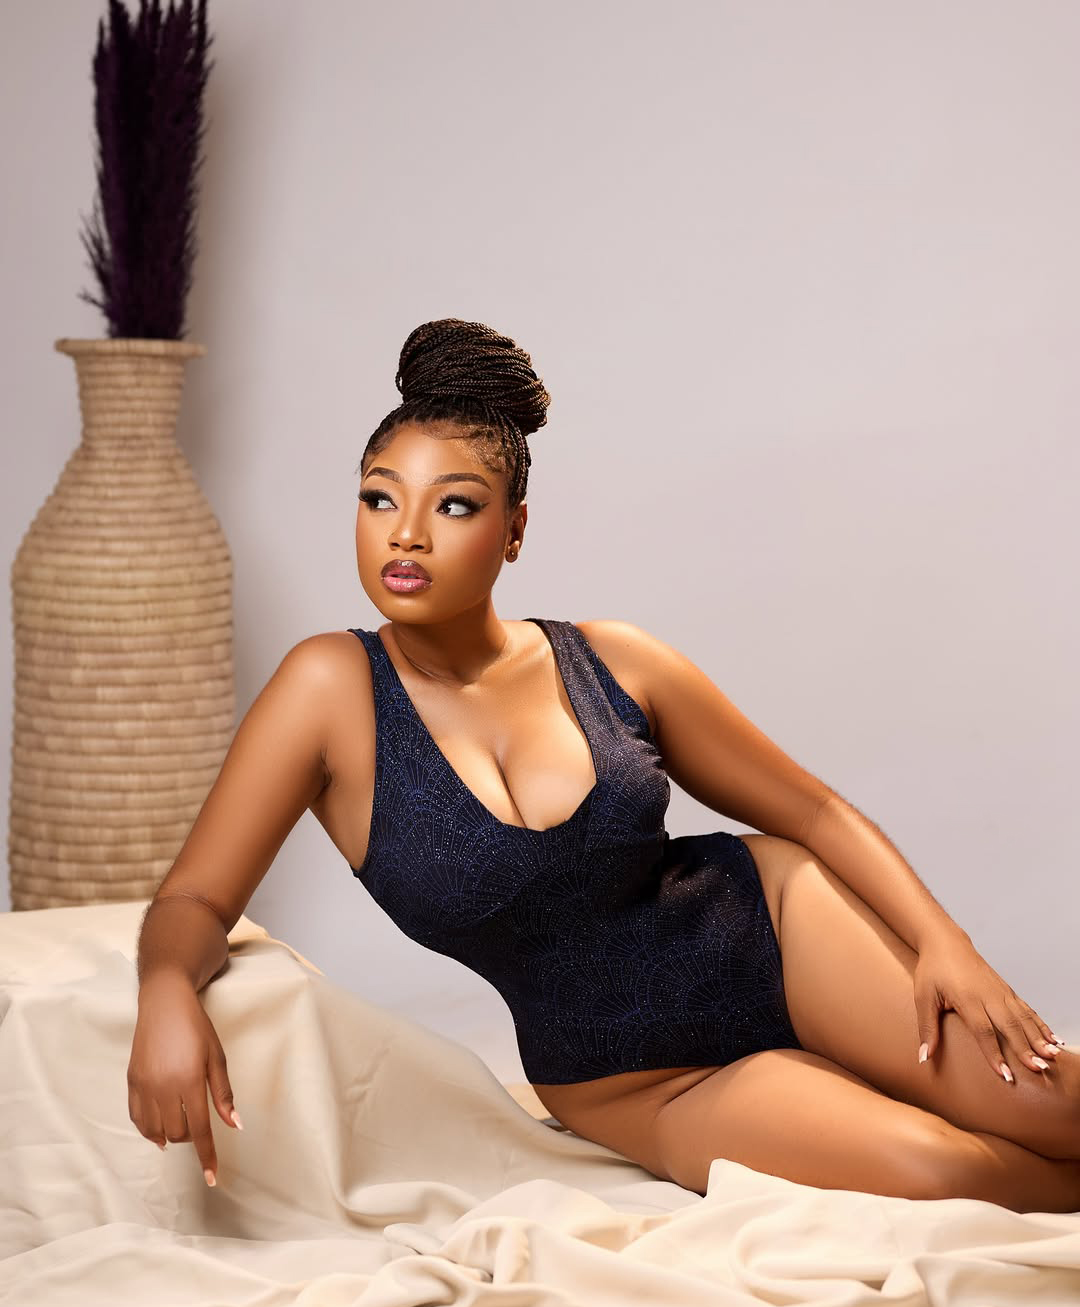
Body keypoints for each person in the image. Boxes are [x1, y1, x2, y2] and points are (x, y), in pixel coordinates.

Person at [130, 318, 1080, 1212]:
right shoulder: (328, 688)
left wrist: (946, 947)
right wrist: (167, 989)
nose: (405, 534)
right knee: (940, 1172)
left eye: (452, 505)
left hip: (777, 937)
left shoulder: (612, 660)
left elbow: (815, 813)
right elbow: (195, 903)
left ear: (514, 530)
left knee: (1058, 1110)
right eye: (380, 497)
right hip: (636, 1084)